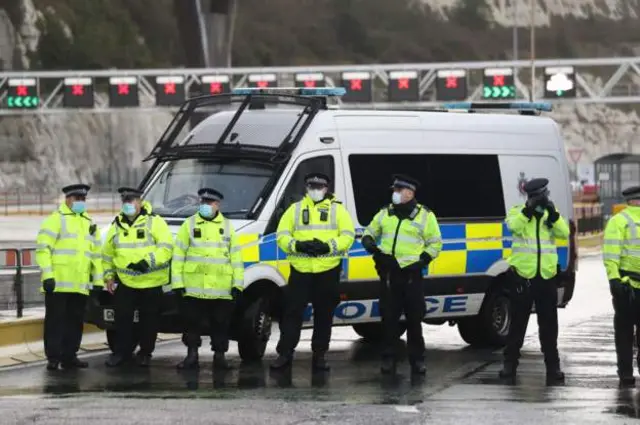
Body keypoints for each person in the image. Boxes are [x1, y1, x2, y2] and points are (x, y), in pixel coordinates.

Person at [270, 172, 355, 371]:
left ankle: (319, 355)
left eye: (319, 186)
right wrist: (297, 245)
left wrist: (328, 246)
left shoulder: (338, 210)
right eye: (312, 186)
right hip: (301, 270)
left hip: (327, 270)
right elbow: (281, 235)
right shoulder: (295, 209)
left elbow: (348, 236)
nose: (315, 190)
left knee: (324, 315)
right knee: (292, 313)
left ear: (326, 189)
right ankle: (285, 353)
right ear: (307, 188)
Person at [361, 174, 442, 375]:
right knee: (389, 319)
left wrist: (423, 260)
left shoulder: (425, 216)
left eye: (398, 191)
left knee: (414, 319)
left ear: (409, 193)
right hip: (389, 273)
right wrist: (371, 245)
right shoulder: (385, 213)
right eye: (394, 191)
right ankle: (388, 358)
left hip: (411, 275)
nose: (394, 194)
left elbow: (435, 243)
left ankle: (418, 360)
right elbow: (369, 232)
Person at [499, 178, 569, 384]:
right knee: (517, 325)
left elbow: (564, 233)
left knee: (549, 327)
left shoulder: (550, 214)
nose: (543, 199)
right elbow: (513, 227)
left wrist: (554, 214)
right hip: (523, 277)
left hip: (546, 278)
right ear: (529, 197)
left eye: (544, 195)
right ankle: (509, 365)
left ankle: (553, 367)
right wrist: (528, 211)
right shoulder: (517, 211)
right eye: (539, 196)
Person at [172, 188, 244, 370]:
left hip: (221, 289)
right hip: (193, 288)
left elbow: (236, 258)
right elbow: (178, 256)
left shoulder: (227, 227)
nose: (205, 206)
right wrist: (178, 283)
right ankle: (191, 356)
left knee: (220, 325)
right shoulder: (188, 225)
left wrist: (238, 284)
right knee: (191, 324)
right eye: (203, 202)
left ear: (217, 205)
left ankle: (219, 357)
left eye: (209, 203)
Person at [102, 187, 173, 367]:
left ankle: (145, 353)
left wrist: (147, 261)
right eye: (126, 201)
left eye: (132, 201)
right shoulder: (116, 225)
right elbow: (107, 254)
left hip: (151, 281)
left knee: (149, 321)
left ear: (140, 202)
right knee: (122, 319)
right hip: (126, 282)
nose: (129, 205)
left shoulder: (155, 222)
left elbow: (166, 248)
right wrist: (109, 277)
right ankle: (121, 353)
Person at [35, 184, 104, 371]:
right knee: (55, 323)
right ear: (67, 199)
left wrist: (97, 281)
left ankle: (70, 355)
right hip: (57, 284)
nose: (80, 203)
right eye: (77, 199)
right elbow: (43, 250)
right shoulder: (56, 220)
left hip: (80, 285)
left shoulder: (89, 223)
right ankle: (53, 358)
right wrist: (48, 276)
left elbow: (96, 255)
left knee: (75, 322)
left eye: (83, 199)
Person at [603, 186, 640, 388]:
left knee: (624, 333)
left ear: (629, 201)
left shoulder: (618, 221)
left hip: (626, 286)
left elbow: (611, 254)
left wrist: (614, 280)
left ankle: (626, 374)